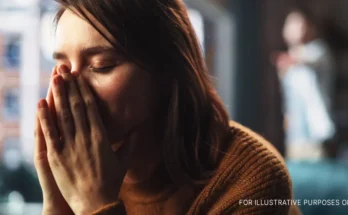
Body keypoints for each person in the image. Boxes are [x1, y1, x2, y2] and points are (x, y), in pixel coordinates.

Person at [34, 0, 300, 214]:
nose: (71, 91)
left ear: (168, 72)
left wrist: (95, 204)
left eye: (102, 65)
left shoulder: (250, 180)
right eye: (63, 69)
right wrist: (57, 206)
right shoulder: (75, 168)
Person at [274, 10, 335, 160]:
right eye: (291, 24)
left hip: (315, 134)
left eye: (299, 24)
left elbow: (303, 58)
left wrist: (287, 60)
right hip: (294, 136)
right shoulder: (288, 64)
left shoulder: (319, 50)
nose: (295, 29)